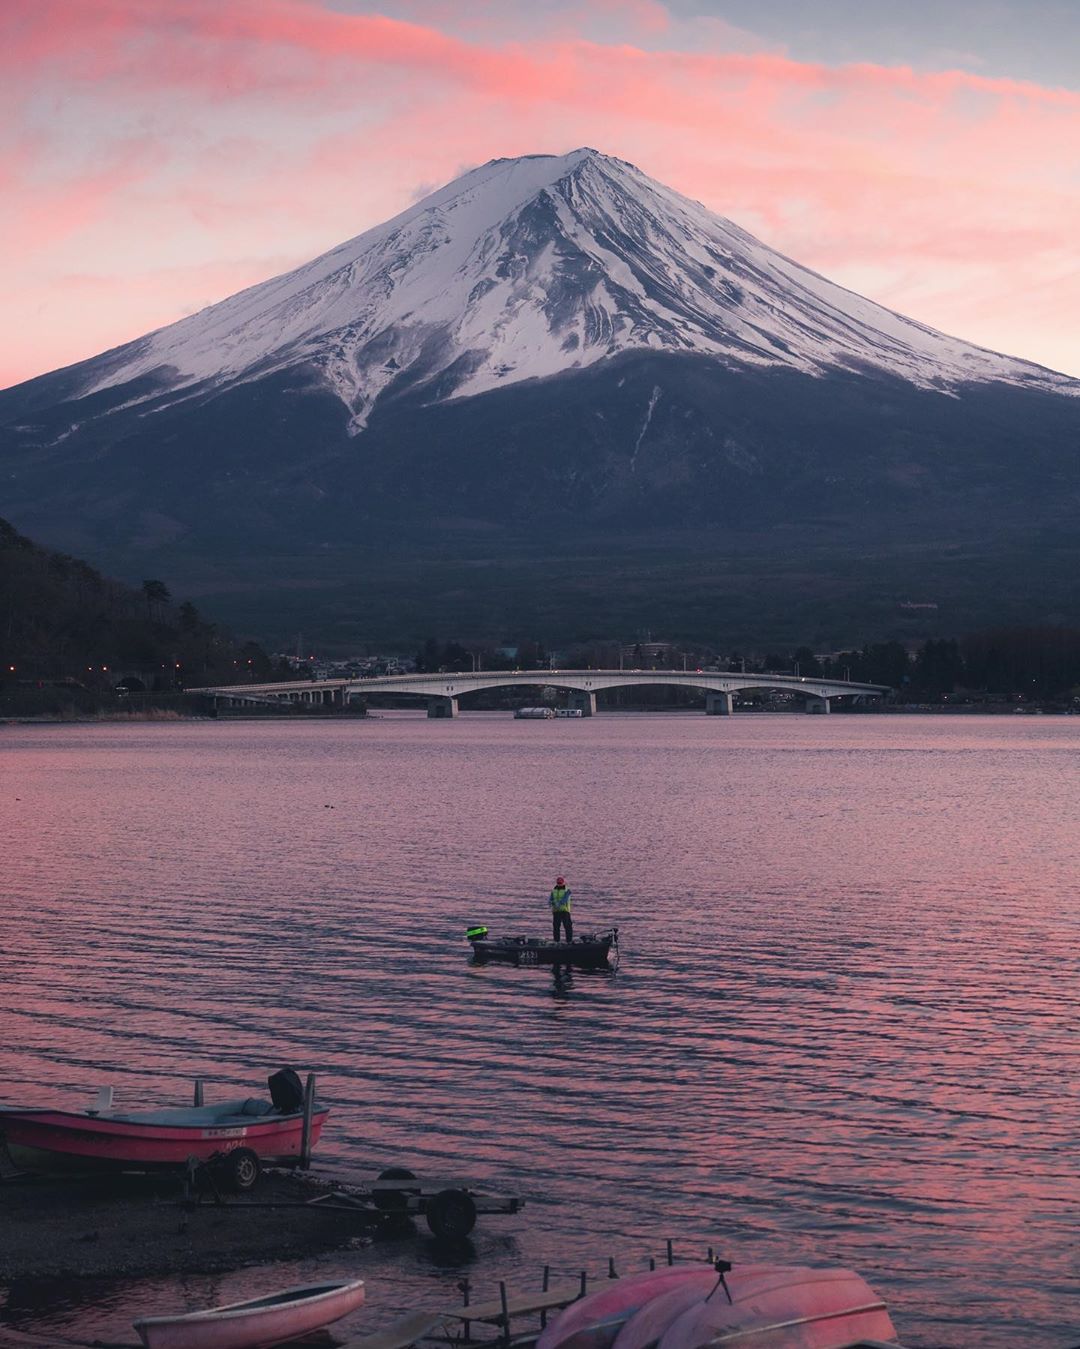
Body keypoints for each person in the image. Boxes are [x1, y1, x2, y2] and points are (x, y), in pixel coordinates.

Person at [549, 876, 573, 943]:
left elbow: (564, 900)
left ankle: (569, 941)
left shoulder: (567, 890)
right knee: (556, 927)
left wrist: (558, 904)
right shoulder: (553, 890)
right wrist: (551, 903)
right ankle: (556, 941)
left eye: (560, 882)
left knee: (567, 927)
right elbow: (550, 899)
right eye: (558, 883)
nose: (559, 884)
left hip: (565, 911)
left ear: (563, 882)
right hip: (556, 911)